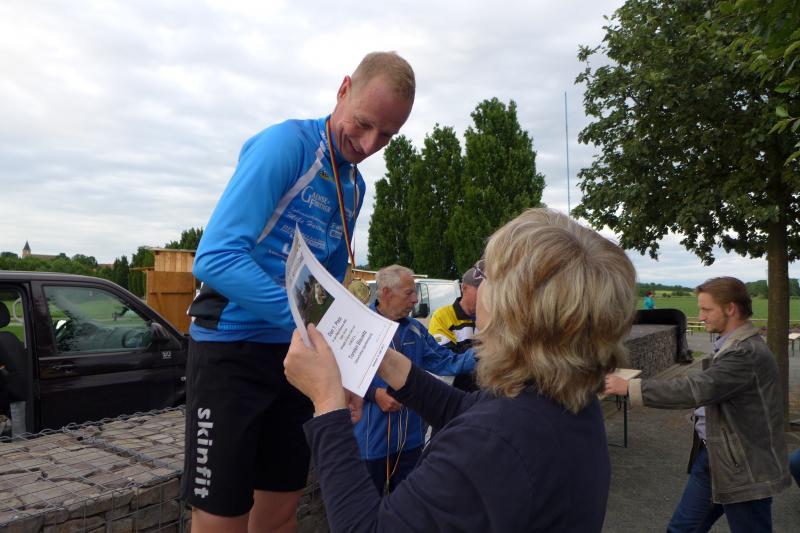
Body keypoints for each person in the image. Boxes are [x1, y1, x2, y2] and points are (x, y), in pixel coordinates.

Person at [284, 208, 636, 532]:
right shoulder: (557, 398)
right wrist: (377, 354)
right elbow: (461, 407)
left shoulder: (489, 445)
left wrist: (327, 404)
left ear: (513, 307)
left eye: (487, 277)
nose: (479, 290)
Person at [181, 51, 415, 532]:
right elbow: (215, 258)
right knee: (222, 519)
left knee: (280, 513)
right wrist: (304, 321)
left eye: (387, 136)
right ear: (343, 89)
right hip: (232, 349)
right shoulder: (287, 145)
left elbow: (326, 291)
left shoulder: (353, 187)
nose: (368, 145)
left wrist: (346, 376)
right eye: (363, 124)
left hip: (293, 358)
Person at [606, 276, 791, 532]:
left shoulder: (744, 353)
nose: (701, 316)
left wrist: (629, 387)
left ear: (730, 309)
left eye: (706, 309)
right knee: (681, 530)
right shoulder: (731, 345)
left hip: (743, 465)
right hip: (715, 457)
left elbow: (695, 389)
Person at [355, 264, 476, 494]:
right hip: (372, 443)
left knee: (406, 507)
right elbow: (338, 374)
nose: (415, 300)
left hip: (411, 442)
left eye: (415, 293)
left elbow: (447, 361)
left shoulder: (416, 330)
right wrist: (374, 394)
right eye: (409, 293)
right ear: (386, 293)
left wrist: (487, 352)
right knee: (368, 508)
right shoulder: (360, 327)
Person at [428, 261, 483, 392]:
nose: (483, 296)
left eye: (486, 290)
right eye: (478, 290)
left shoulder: (489, 316)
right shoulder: (442, 316)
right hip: (458, 393)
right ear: (464, 288)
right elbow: (447, 358)